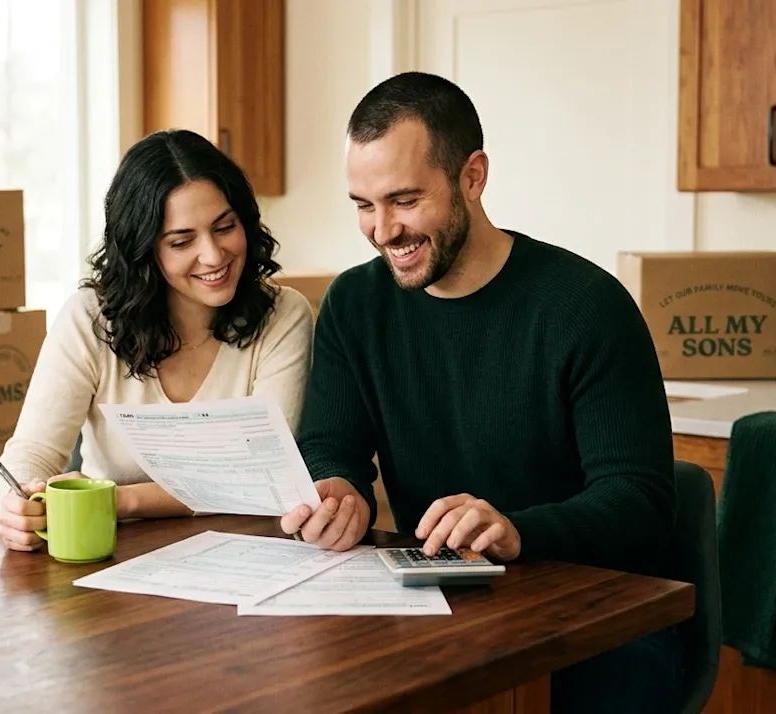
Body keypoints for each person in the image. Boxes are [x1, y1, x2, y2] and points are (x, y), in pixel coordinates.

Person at [277, 72, 682, 712]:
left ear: (472, 177)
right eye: (363, 204)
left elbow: (643, 503)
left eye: (405, 200)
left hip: (596, 621)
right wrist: (337, 488)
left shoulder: (586, 307)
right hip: (439, 610)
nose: (383, 231)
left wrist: (518, 531)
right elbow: (331, 445)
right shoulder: (355, 305)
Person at [0, 128, 314, 552]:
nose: (214, 256)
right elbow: (32, 450)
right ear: (144, 249)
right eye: (182, 241)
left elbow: (261, 476)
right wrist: (16, 505)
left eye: (225, 227)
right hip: (111, 559)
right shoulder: (90, 318)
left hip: (249, 554)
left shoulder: (284, 315)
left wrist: (118, 499)